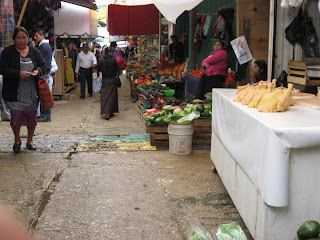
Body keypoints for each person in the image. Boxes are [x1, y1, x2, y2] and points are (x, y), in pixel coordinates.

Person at [0, 27, 47, 153]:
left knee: (31, 118)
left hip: (31, 91)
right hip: (14, 91)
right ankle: (17, 140)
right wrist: (18, 74)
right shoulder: (7, 52)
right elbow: (2, 69)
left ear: (28, 38)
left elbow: (43, 65)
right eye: (19, 38)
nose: (22, 40)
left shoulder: (34, 51)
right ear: (14, 39)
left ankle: (30, 140)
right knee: (15, 117)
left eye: (24, 37)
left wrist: (37, 71)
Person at [33, 29, 53, 122]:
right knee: (44, 94)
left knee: (43, 94)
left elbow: (40, 60)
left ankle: (45, 116)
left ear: (42, 35)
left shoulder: (43, 46)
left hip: (43, 73)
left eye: (36, 36)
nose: (35, 38)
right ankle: (45, 115)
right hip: (45, 73)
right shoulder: (46, 46)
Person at [97, 47, 120, 120]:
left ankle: (106, 111)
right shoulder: (113, 60)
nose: (113, 53)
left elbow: (98, 70)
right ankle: (108, 112)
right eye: (112, 52)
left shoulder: (101, 60)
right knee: (112, 96)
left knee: (104, 96)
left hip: (105, 80)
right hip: (112, 80)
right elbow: (117, 70)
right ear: (109, 53)